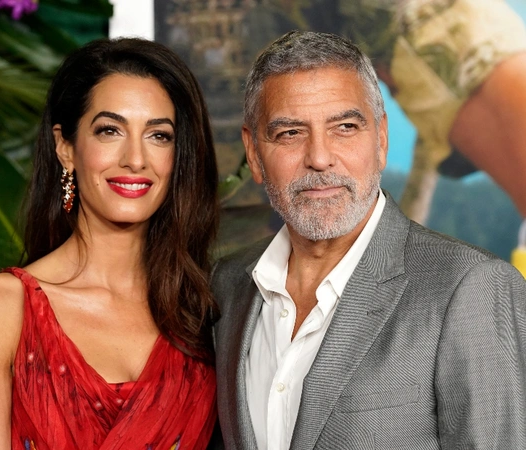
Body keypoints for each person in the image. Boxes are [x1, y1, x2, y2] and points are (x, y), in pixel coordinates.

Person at [211, 31, 526, 450]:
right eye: (290, 133)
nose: (319, 158)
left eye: (344, 127)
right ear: (253, 153)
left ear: (380, 139)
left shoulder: (471, 288)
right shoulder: (227, 284)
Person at [0, 37, 219, 449]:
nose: (135, 159)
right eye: (110, 130)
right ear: (65, 147)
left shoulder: (206, 309)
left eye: (159, 135)